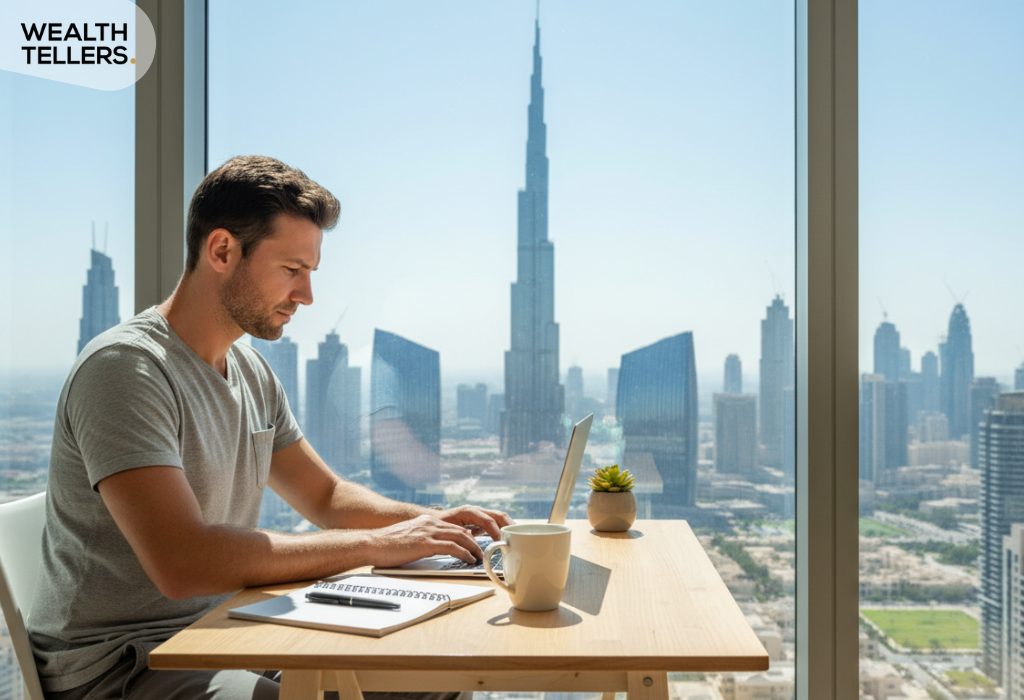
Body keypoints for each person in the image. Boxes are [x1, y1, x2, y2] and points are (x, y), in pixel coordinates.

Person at [29, 155, 511, 699]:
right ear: (221, 250)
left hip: (226, 632)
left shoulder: (250, 370)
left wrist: (433, 524)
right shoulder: (126, 370)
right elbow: (183, 564)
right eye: (291, 270)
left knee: (432, 678)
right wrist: (378, 544)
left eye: (310, 273)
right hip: (124, 664)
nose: (306, 296)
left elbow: (325, 495)